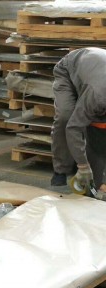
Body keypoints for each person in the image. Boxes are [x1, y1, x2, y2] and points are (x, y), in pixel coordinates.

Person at [51, 47, 106, 200]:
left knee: (99, 125)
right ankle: (61, 169)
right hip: (68, 69)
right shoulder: (97, 96)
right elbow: (74, 128)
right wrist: (83, 166)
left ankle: (95, 181)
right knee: (66, 117)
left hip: (92, 71)